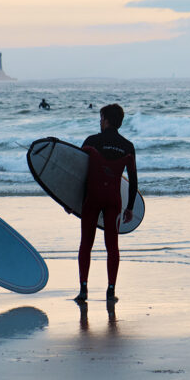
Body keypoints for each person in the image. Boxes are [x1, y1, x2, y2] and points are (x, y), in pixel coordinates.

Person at [75, 104, 138, 303]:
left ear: (107, 120)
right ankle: (111, 291)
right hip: (113, 201)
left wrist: (70, 201)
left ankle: (83, 290)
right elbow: (133, 180)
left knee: (86, 244)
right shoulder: (128, 146)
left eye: (101, 118)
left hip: (92, 198)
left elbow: (77, 172)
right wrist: (130, 207)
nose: (100, 122)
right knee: (112, 246)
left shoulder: (92, 141)